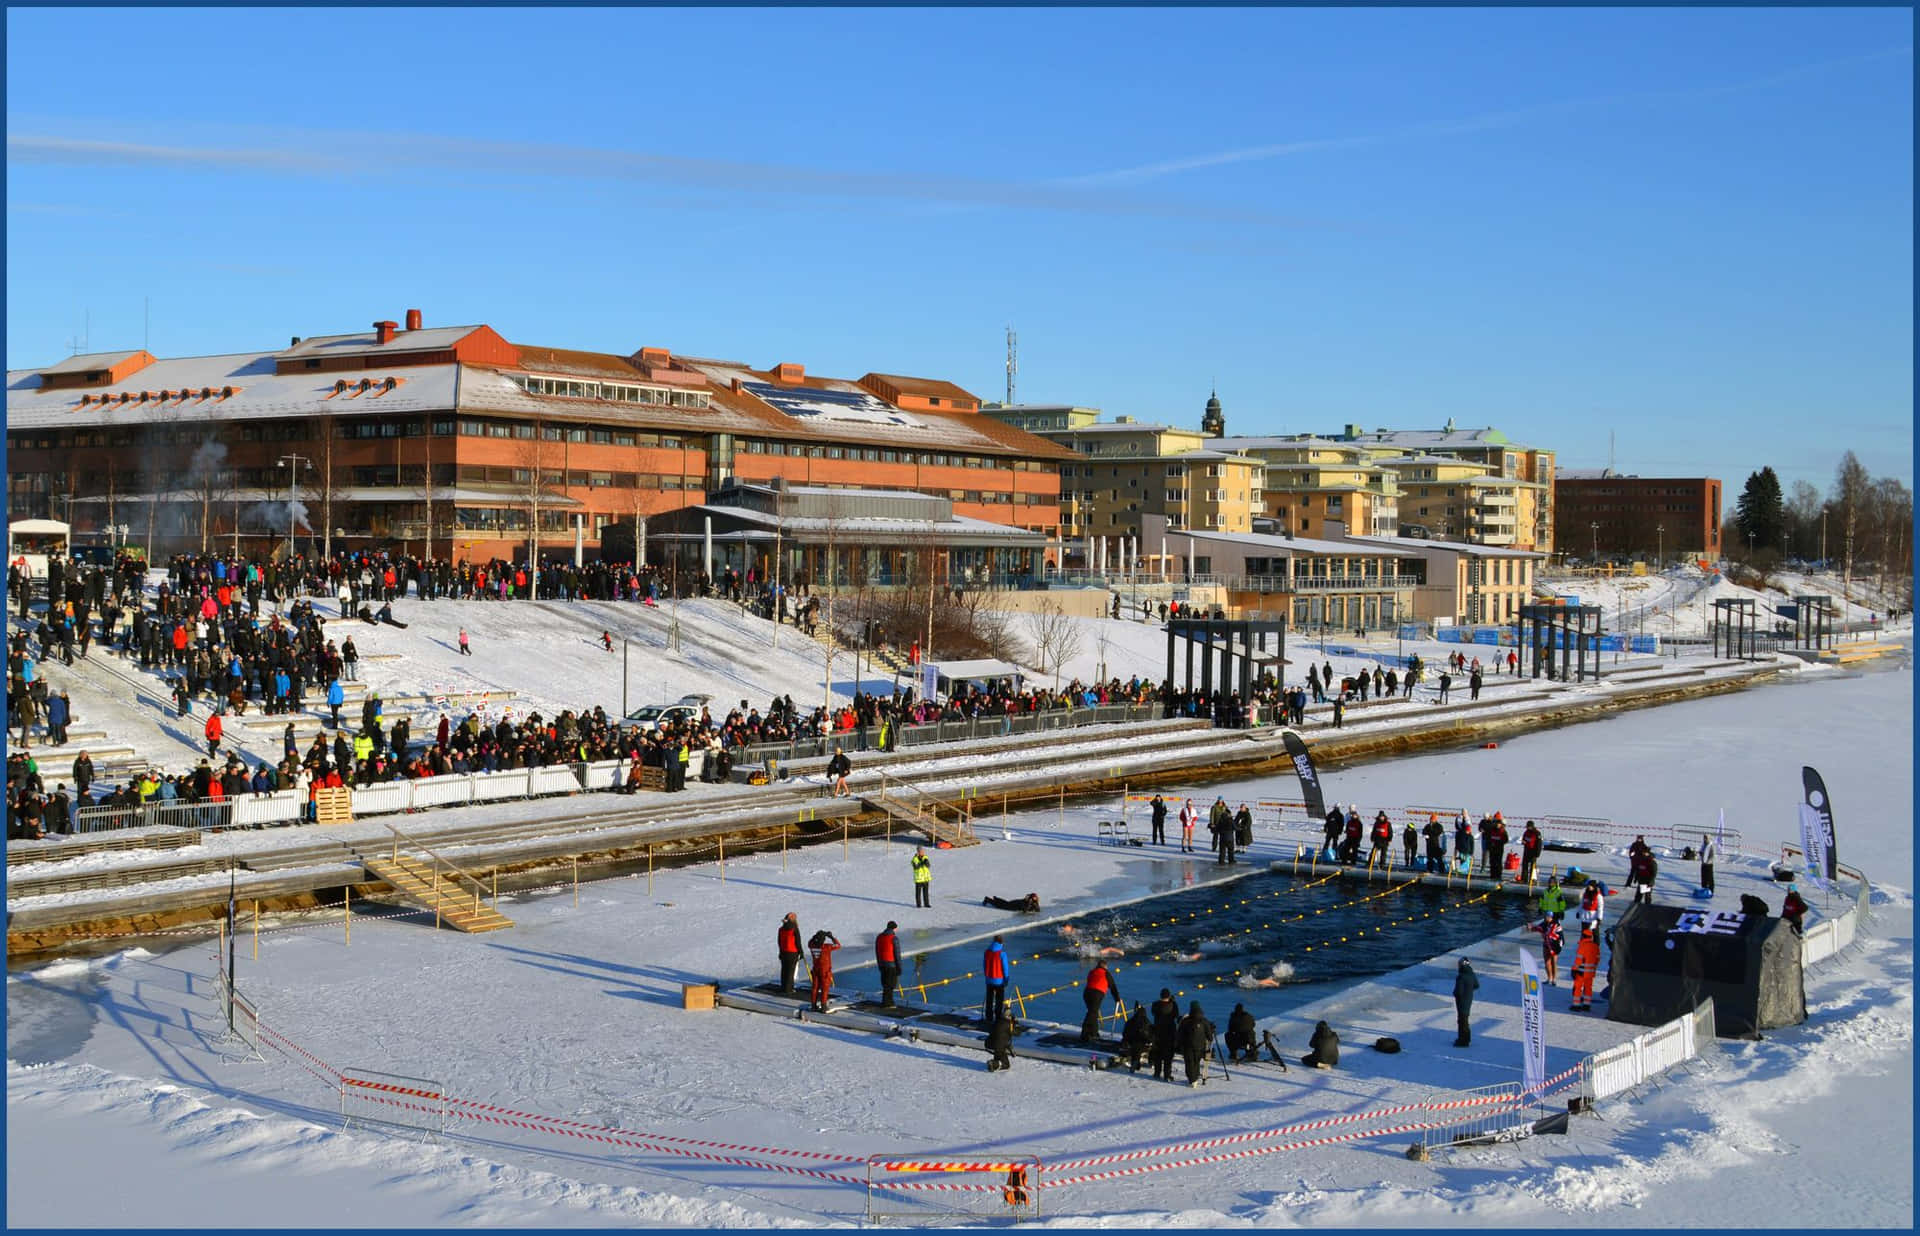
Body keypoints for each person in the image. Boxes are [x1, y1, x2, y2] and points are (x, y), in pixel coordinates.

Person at [1080, 960, 1122, 1044]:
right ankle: (1084, 1033)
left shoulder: (1092, 971)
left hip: (1086, 993)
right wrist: (1117, 998)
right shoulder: (1106, 973)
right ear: (1105, 966)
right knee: (1092, 1013)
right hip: (1096, 994)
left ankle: (1094, 1032)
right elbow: (1113, 987)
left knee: (1093, 1012)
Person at [1178, 1001, 1215, 1087]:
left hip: (1188, 1046)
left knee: (1189, 1062)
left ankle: (1192, 1080)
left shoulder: (1185, 1021)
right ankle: (1195, 1077)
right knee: (1196, 1062)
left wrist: (1179, 1045)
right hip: (1200, 1046)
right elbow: (1210, 1037)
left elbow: (1180, 1034)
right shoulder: (1204, 1021)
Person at [1569, 922, 1602, 1011]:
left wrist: (1574, 969)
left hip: (1581, 971)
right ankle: (1587, 1005)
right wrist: (1593, 968)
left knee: (1578, 988)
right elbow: (1597, 959)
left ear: (1583, 936)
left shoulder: (1582, 946)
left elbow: (1579, 960)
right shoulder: (1596, 947)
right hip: (1590, 972)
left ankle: (1576, 1005)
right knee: (1588, 988)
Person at [1149, 989, 1179, 1082]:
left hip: (1158, 1031)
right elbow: (1176, 1015)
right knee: (1168, 1056)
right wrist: (1172, 1001)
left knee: (1158, 1054)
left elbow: (1153, 1012)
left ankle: (1157, 1073)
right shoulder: (1173, 1005)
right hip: (1169, 1031)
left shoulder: (1155, 1004)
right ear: (1169, 996)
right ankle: (1167, 1075)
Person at [806, 929, 840, 1012]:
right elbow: (838, 945)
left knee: (815, 988)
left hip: (816, 970)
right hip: (824, 971)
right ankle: (823, 1006)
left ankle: (813, 1005)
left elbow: (810, 942)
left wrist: (815, 936)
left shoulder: (812, 946)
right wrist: (831, 937)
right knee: (825, 988)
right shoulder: (826, 947)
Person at [1527, 914, 1564, 985]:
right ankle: (1549, 978)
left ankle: (1554, 979)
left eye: (1546, 916)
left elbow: (1557, 935)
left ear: (1551, 917)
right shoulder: (1544, 923)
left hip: (1554, 945)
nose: (1545, 918)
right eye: (1544, 916)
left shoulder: (1556, 924)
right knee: (1547, 962)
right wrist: (1530, 928)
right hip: (1546, 944)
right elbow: (1538, 928)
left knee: (1554, 962)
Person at [1117, 1004, 1153, 1072]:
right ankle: (1149, 1062)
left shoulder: (1130, 1021)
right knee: (1140, 1048)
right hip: (1140, 1044)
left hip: (1128, 1043)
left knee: (1135, 1048)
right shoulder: (1146, 1022)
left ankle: (1135, 1062)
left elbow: (1124, 1033)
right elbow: (1149, 1035)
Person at [1452, 958, 1480, 1046]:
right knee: (1465, 1020)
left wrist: (1455, 994)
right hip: (1469, 999)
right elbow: (1476, 985)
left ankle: (1462, 1041)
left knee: (1462, 1021)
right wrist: (1469, 991)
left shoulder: (1461, 977)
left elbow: (1459, 992)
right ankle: (1467, 1039)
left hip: (1462, 1002)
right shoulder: (1472, 974)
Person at [982, 935, 1009, 1024]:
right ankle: (998, 1017)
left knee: (989, 999)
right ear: (1001, 943)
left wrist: (986, 976)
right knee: (999, 1000)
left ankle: (988, 1017)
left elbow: (984, 966)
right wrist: (1006, 979)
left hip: (989, 980)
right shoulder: (1002, 954)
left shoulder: (987, 952)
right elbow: (1005, 968)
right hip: (999, 981)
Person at [875, 920, 902, 1007]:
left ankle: (886, 1002)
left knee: (885, 984)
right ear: (894, 928)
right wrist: (899, 967)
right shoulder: (893, 938)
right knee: (891, 984)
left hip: (882, 964)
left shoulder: (879, 937)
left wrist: (879, 964)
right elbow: (897, 954)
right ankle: (888, 1003)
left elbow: (877, 952)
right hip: (891, 964)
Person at [776, 912, 803, 995]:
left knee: (784, 970)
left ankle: (783, 987)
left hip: (784, 952)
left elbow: (779, 942)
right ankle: (789, 989)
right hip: (792, 952)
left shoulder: (781, 929)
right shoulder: (794, 929)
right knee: (790, 971)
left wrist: (780, 951)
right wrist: (801, 951)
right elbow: (797, 941)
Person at [1209, 796, 1234, 865]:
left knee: (1222, 837)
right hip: (1217, 823)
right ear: (1218, 800)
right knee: (1215, 836)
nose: (1220, 801)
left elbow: (1228, 813)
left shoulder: (1225, 806)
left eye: (1221, 800)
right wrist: (1212, 823)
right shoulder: (1214, 807)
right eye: (1219, 800)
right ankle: (1214, 847)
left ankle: (1221, 848)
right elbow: (1212, 815)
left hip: (1224, 824)